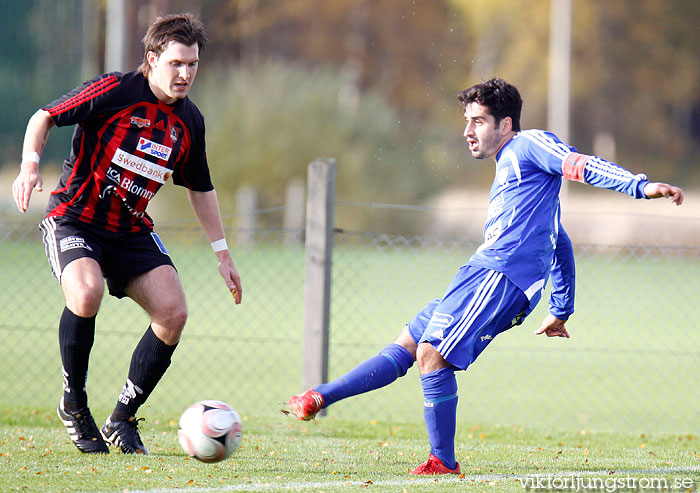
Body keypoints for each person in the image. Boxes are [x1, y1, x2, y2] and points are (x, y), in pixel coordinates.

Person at [286, 78, 684, 474]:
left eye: (477, 121)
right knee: (409, 342)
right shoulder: (514, 175)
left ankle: (442, 462)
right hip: (479, 274)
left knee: (431, 356)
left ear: (506, 125)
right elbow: (558, 239)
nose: (467, 131)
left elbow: (580, 166)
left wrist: (639, 186)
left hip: (500, 277)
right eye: (467, 121)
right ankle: (320, 397)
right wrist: (561, 307)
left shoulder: (529, 145)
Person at [11, 13, 242, 455]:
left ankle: (122, 417)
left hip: (130, 230)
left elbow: (201, 188)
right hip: (75, 219)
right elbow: (44, 116)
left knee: (173, 312)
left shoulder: (190, 122)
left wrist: (222, 253)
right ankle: (75, 406)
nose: (185, 74)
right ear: (151, 59)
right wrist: (29, 164)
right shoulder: (116, 90)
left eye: (192, 65)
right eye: (176, 63)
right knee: (85, 293)